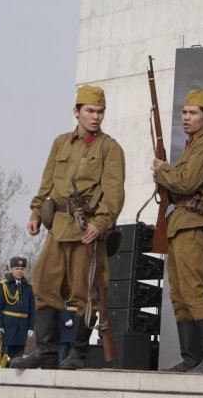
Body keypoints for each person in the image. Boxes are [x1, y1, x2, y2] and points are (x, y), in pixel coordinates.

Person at [13, 84, 125, 371]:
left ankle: (77, 353)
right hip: (58, 227)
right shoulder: (61, 142)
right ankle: (46, 352)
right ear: (76, 112)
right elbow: (47, 181)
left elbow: (114, 193)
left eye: (100, 112)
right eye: (90, 111)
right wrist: (36, 212)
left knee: (85, 293)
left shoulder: (110, 148)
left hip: (86, 230)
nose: (96, 117)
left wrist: (100, 224)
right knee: (45, 287)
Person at [152, 89, 203, 374]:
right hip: (180, 224)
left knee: (194, 292)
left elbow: (185, 183)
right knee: (179, 295)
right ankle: (193, 358)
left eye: (193, 113)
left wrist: (163, 171)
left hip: (195, 225)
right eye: (184, 112)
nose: (186, 117)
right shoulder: (192, 145)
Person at [0, 257, 35, 361]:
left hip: (22, 326)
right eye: (17, 268)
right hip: (8, 326)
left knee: (18, 357)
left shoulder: (28, 287)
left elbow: (32, 308)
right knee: (5, 357)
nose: (19, 271)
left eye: (21, 269)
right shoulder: (3, 285)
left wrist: (31, 326)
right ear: (11, 269)